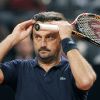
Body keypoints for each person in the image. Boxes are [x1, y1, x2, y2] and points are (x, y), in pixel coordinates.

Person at [0, 11, 96, 100]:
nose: (42, 44)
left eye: (49, 37)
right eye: (37, 37)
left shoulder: (72, 70)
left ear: (61, 39)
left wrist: (67, 38)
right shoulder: (19, 68)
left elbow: (85, 81)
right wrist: (12, 37)